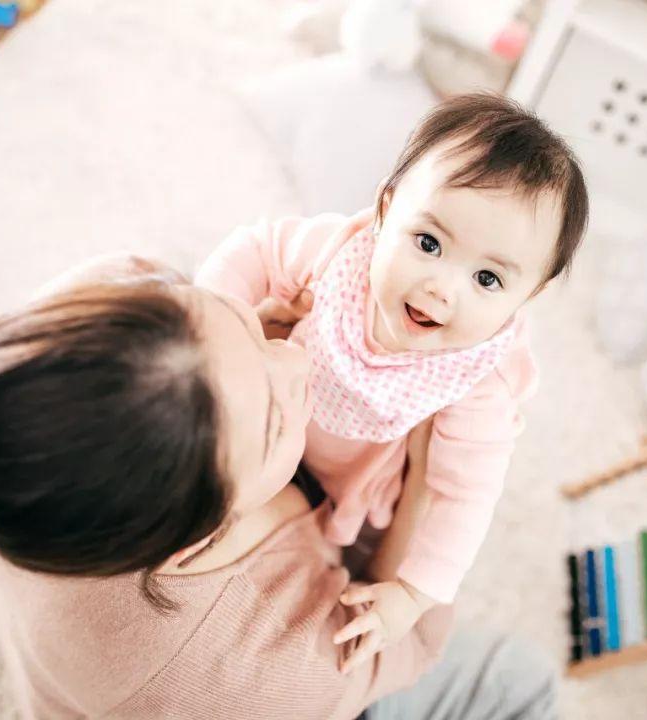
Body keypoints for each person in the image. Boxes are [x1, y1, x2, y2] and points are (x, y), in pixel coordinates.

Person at [0, 262, 558, 719]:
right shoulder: (255, 664)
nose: (296, 357)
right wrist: (423, 483)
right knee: (522, 678)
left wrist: (239, 355)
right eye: (271, 420)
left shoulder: (18, 425)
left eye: (234, 323)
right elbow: (410, 645)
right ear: (198, 534)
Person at [196, 91, 589, 663]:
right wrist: (211, 326)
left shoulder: (479, 382)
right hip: (282, 413)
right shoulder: (339, 252)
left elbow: (465, 497)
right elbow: (254, 251)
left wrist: (410, 594)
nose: (442, 288)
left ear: (531, 295)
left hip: (363, 482)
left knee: (367, 553)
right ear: (385, 211)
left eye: (487, 279)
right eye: (427, 243)